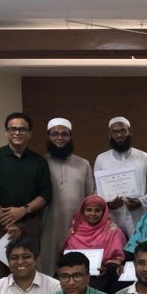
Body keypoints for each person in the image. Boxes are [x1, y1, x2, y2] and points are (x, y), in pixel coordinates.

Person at [0, 112, 52, 282]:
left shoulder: (39, 161)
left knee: (28, 270)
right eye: (13, 129)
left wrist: (23, 211)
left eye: (22, 129)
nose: (17, 133)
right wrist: (8, 222)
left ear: (30, 134)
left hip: (30, 224)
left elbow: (46, 195)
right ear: (6, 133)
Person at [39, 117, 95, 275]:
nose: (60, 138)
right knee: (47, 270)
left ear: (70, 137)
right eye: (55, 134)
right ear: (48, 136)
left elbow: (90, 197)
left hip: (76, 228)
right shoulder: (41, 163)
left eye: (64, 134)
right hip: (48, 226)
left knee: (74, 271)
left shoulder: (83, 164)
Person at [94, 116, 147, 237]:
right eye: (115, 132)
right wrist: (107, 204)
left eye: (122, 131)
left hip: (139, 216)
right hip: (112, 218)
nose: (119, 135)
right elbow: (97, 190)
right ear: (110, 134)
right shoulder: (101, 159)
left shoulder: (144, 158)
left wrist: (140, 202)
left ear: (130, 132)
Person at [62, 194, 127, 294]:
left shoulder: (113, 231)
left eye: (97, 210)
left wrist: (107, 269)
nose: (93, 214)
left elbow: (118, 258)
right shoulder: (75, 230)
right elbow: (66, 254)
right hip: (74, 273)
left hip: (101, 275)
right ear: (83, 211)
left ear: (104, 212)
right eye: (89, 210)